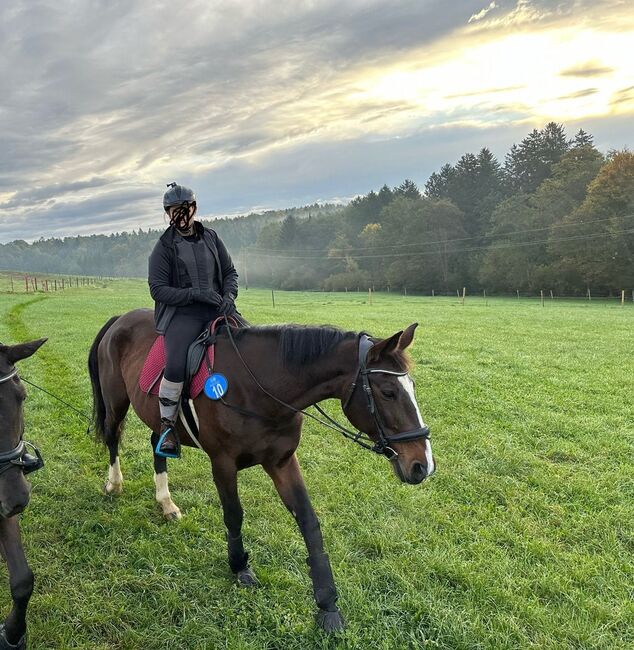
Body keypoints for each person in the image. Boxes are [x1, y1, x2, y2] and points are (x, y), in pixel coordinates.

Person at [148, 182, 239, 458]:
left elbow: (230, 272)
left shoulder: (212, 237)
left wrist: (229, 296)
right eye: (175, 210)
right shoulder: (163, 247)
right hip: (183, 315)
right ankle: (167, 427)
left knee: (250, 343)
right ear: (168, 213)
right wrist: (193, 294)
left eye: (185, 208)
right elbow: (158, 289)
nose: (181, 214)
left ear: (194, 208)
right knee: (175, 363)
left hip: (218, 309)